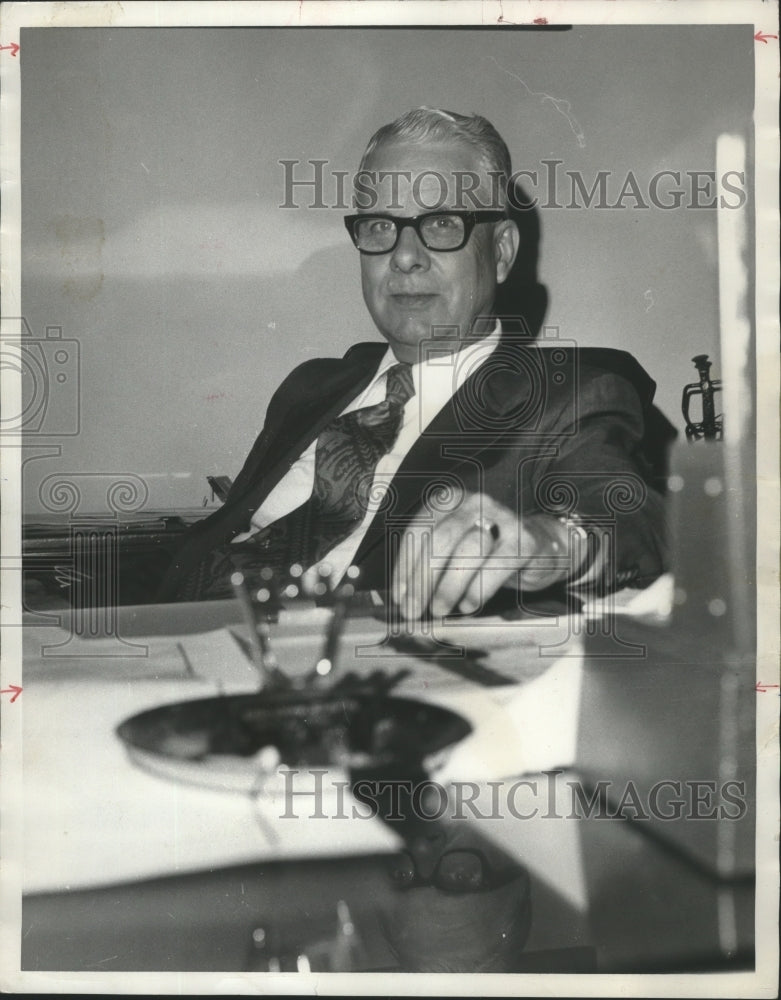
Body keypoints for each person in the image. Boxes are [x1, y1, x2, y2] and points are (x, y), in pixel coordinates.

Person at [155, 107, 670, 617]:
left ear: (503, 250)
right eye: (381, 226)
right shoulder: (311, 385)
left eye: (442, 223)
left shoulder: (572, 397)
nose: (404, 256)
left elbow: (629, 514)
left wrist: (547, 545)